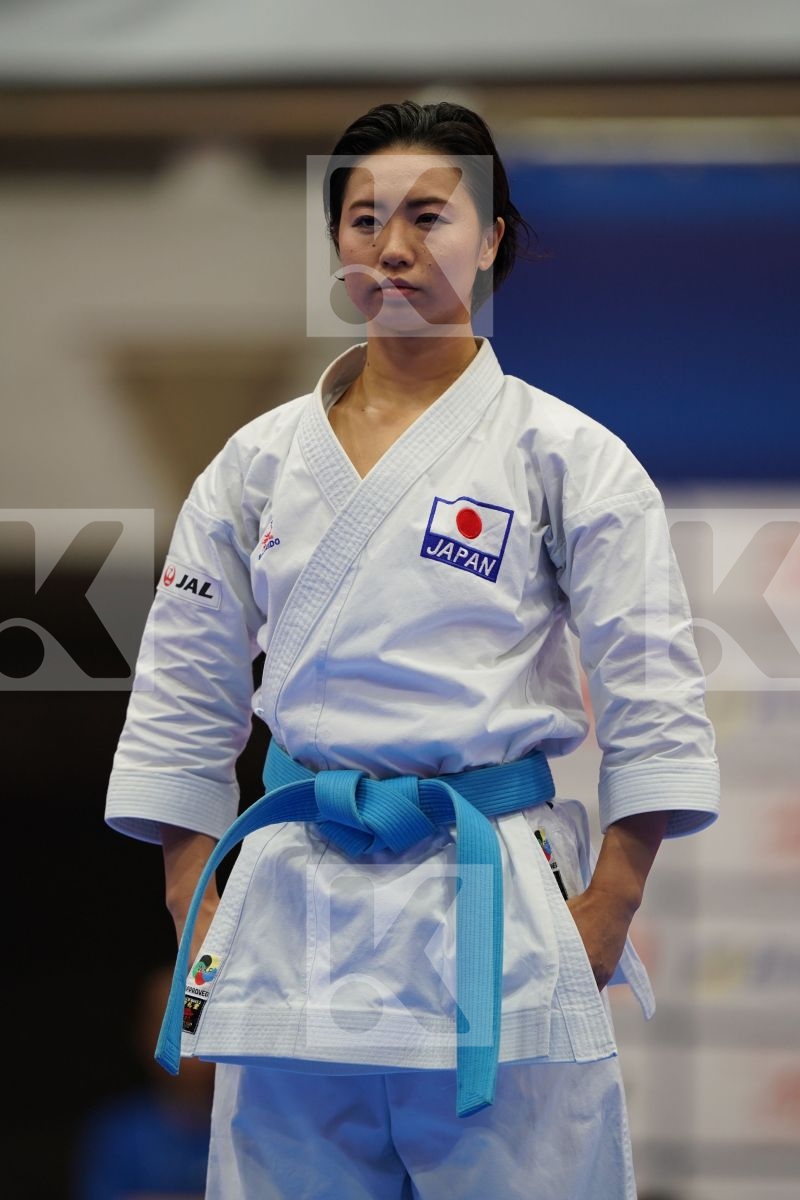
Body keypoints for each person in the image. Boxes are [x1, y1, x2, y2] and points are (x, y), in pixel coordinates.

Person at [104, 99, 720, 1199]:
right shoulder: (256, 463)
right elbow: (182, 691)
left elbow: (652, 690)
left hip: (495, 899)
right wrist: (193, 896)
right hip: (295, 906)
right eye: (363, 219)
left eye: (428, 216)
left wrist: (612, 902)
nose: (392, 245)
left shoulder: (565, 455)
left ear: (490, 239)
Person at [72, 964, 215, 1200]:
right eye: (170, 1024)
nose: (184, 1039)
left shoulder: (251, 1126)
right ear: (143, 1034)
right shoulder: (117, 1132)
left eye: (196, 1022)